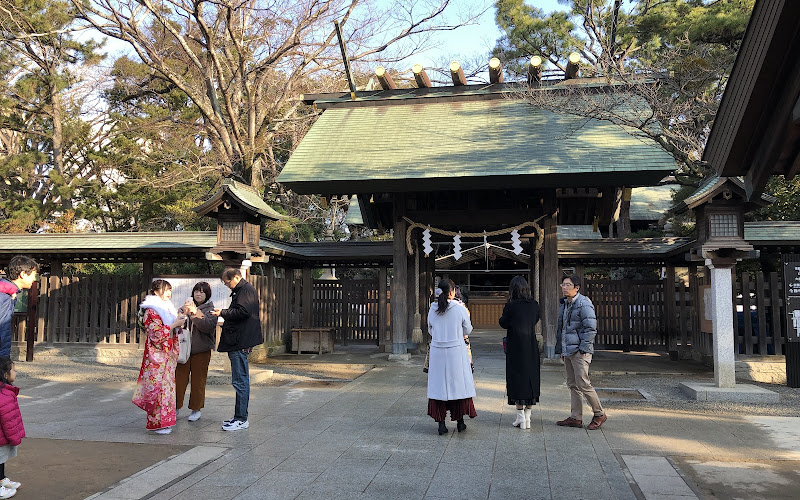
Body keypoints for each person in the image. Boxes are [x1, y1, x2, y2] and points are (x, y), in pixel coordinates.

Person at [211, 268, 262, 431]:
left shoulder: (245, 290)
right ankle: (238, 417)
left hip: (240, 340)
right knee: (240, 380)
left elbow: (244, 312)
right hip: (241, 339)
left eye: (227, 282)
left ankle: (241, 418)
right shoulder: (244, 289)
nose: (227, 286)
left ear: (236, 277)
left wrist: (223, 312)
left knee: (240, 381)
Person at [132, 279, 185, 434]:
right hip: (157, 355)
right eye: (165, 290)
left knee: (167, 388)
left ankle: (166, 421)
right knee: (158, 388)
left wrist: (179, 321)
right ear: (156, 291)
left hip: (167, 355)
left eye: (170, 290)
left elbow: (170, 329)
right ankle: (158, 423)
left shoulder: (166, 308)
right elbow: (156, 334)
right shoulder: (151, 310)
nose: (168, 293)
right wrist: (174, 325)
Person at [555, 274, 607, 430]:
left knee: (583, 384)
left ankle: (599, 413)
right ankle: (575, 417)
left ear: (577, 288)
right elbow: (563, 329)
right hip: (569, 350)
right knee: (572, 384)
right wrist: (562, 349)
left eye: (567, 285)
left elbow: (590, 328)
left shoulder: (584, 303)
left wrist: (583, 348)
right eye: (563, 284)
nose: (564, 287)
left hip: (580, 351)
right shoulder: (565, 303)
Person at [426, 278, 476, 435]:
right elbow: (467, 329)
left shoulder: (432, 309)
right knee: (458, 386)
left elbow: (430, 329)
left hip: (438, 350)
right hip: (456, 350)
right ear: (453, 292)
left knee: (439, 387)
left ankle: (441, 424)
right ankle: (460, 422)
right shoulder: (459, 308)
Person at [499, 275, 541, 430]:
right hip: (530, 345)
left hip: (515, 346)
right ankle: (528, 417)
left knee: (516, 378)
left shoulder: (510, 306)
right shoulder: (534, 305)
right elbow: (536, 319)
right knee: (531, 378)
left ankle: (520, 417)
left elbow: (503, 322)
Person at [175, 282, 217, 422]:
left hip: (201, 351)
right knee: (179, 380)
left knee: (198, 381)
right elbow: (177, 325)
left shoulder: (211, 310)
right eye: (196, 291)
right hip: (183, 350)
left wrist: (194, 313)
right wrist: (182, 314)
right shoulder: (185, 307)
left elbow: (207, 327)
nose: (198, 294)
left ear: (207, 294)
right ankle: (175, 407)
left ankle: (196, 409)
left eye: (202, 292)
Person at [0, 257, 39, 359]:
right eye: (34, 275)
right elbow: (2, 327)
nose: (34, 279)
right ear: (23, 274)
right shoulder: (4, 296)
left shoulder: (9, 293)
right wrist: (4, 362)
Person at [0, 357, 23, 499]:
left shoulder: (6, 391)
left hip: (2, 437)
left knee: (1, 460)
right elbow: (8, 421)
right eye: (13, 370)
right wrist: (14, 438)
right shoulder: (4, 394)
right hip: (2, 437)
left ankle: (1, 478)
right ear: (5, 374)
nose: (15, 372)